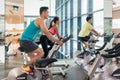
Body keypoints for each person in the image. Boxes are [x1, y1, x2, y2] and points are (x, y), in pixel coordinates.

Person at [19, 7, 63, 74]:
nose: (48, 14)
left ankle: (32, 70)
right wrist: (58, 42)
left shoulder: (39, 20)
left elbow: (47, 33)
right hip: (26, 41)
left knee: (33, 58)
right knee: (41, 53)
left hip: (25, 40)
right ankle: (25, 67)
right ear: (44, 12)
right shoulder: (40, 20)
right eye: (47, 12)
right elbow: (48, 34)